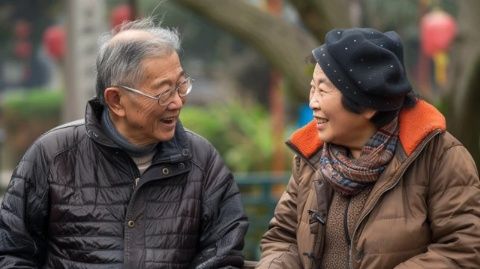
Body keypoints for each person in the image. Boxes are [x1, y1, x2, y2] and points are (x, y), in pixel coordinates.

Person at [0, 18, 248, 269]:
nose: (177, 102)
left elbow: (223, 255)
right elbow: (11, 253)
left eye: (181, 85)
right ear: (116, 100)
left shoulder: (203, 161)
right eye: (163, 92)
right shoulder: (53, 155)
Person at [257, 28, 480, 269]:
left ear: (366, 105)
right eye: (312, 88)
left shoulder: (439, 156)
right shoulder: (310, 155)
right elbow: (283, 238)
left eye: (322, 91)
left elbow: (463, 249)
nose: (313, 103)